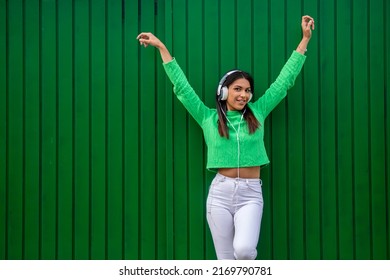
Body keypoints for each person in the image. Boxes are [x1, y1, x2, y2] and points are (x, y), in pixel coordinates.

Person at [137, 15, 315, 260]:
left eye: (248, 90)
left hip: (251, 193)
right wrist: (162, 49)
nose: (244, 94)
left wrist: (304, 41)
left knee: (243, 251)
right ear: (223, 91)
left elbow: (284, 82)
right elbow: (182, 88)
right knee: (225, 261)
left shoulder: (258, 112)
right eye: (238, 89)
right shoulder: (207, 118)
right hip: (220, 194)